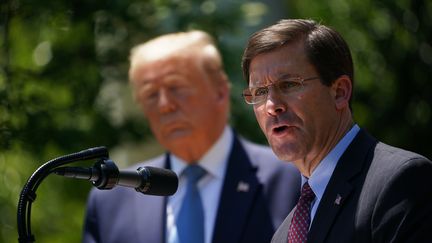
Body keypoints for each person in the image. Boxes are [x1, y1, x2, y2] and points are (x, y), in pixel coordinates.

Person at [82, 30, 300, 243]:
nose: (165, 105)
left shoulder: (291, 180)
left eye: (176, 87)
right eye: (151, 95)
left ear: (220, 91)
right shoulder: (111, 200)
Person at [241, 19, 432, 243]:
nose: (272, 105)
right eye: (260, 91)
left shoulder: (401, 182)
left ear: (340, 92)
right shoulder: (284, 235)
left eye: (289, 84)